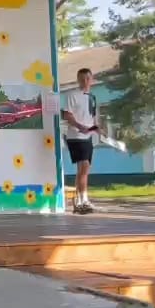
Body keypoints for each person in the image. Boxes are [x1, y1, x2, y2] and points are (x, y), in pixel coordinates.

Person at [62, 68, 100, 214]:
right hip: (75, 136)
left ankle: (79, 201)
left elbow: (93, 118)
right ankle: (84, 200)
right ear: (78, 80)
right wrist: (80, 126)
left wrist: (97, 128)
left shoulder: (92, 97)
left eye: (87, 78)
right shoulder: (72, 95)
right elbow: (67, 115)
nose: (85, 81)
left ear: (91, 80)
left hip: (88, 137)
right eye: (82, 79)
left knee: (84, 169)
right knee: (84, 166)